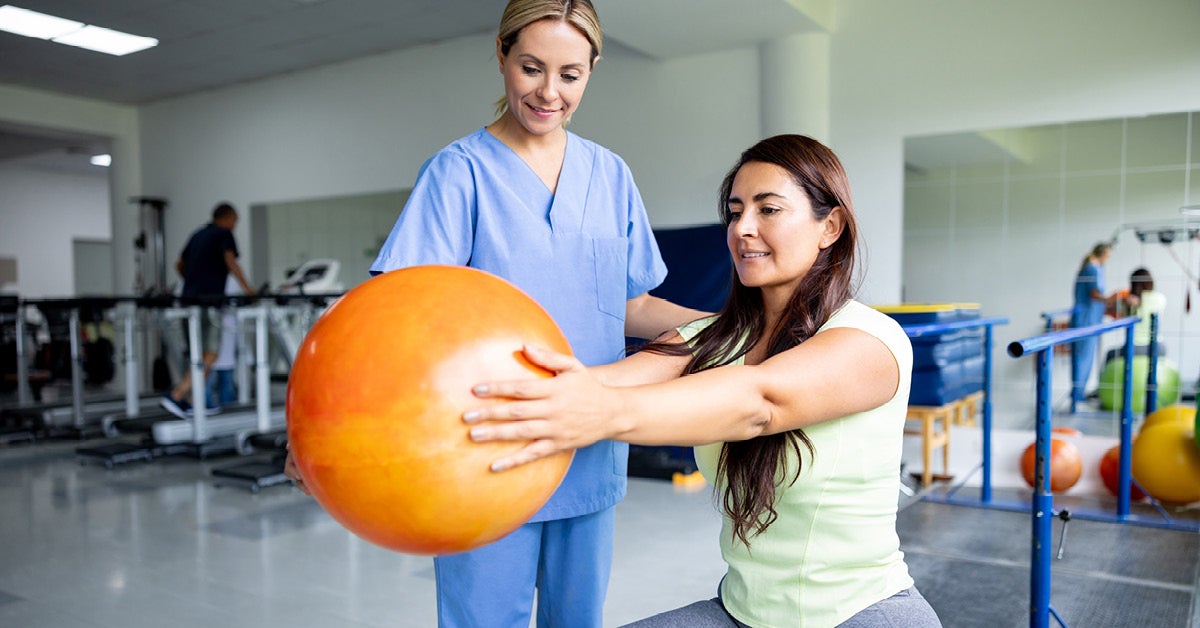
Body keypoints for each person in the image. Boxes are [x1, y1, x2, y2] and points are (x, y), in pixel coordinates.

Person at [284, 1, 704, 626]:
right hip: (479, 450)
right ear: (502, 56)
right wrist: (318, 426)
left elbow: (631, 305)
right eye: (531, 67)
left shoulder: (611, 176)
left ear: (592, 72)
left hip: (587, 446)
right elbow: (394, 321)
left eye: (570, 74)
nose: (548, 92)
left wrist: (724, 325)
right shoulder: (459, 174)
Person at [464, 134, 942, 627]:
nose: (743, 229)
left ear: (831, 226)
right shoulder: (712, 338)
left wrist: (601, 413)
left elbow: (760, 401)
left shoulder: (869, 341)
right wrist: (495, 394)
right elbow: (605, 383)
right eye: (735, 212)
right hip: (740, 614)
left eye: (768, 209)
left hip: (861, 615)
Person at [160, 202, 256, 418]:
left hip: (190, 300)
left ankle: (195, 401)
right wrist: (249, 291)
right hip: (210, 302)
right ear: (228, 218)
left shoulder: (197, 235)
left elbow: (179, 264)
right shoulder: (223, 234)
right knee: (211, 354)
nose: (234, 226)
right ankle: (177, 395)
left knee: (198, 353)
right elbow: (231, 262)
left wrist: (193, 282)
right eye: (235, 221)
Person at [1070, 242, 1117, 403]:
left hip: (1091, 319)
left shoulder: (1096, 268)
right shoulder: (1091, 268)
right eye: (1108, 255)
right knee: (1082, 358)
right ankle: (1077, 395)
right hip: (1085, 320)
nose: (1108, 259)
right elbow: (1095, 294)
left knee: (1086, 358)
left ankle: (1079, 393)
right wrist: (1111, 300)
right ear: (1102, 254)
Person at [1104, 267, 1168, 363]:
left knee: (1110, 354)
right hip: (1158, 347)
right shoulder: (1160, 298)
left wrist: (1124, 301)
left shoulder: (1128, 301)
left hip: (1135, 347)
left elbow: (1113, 310)